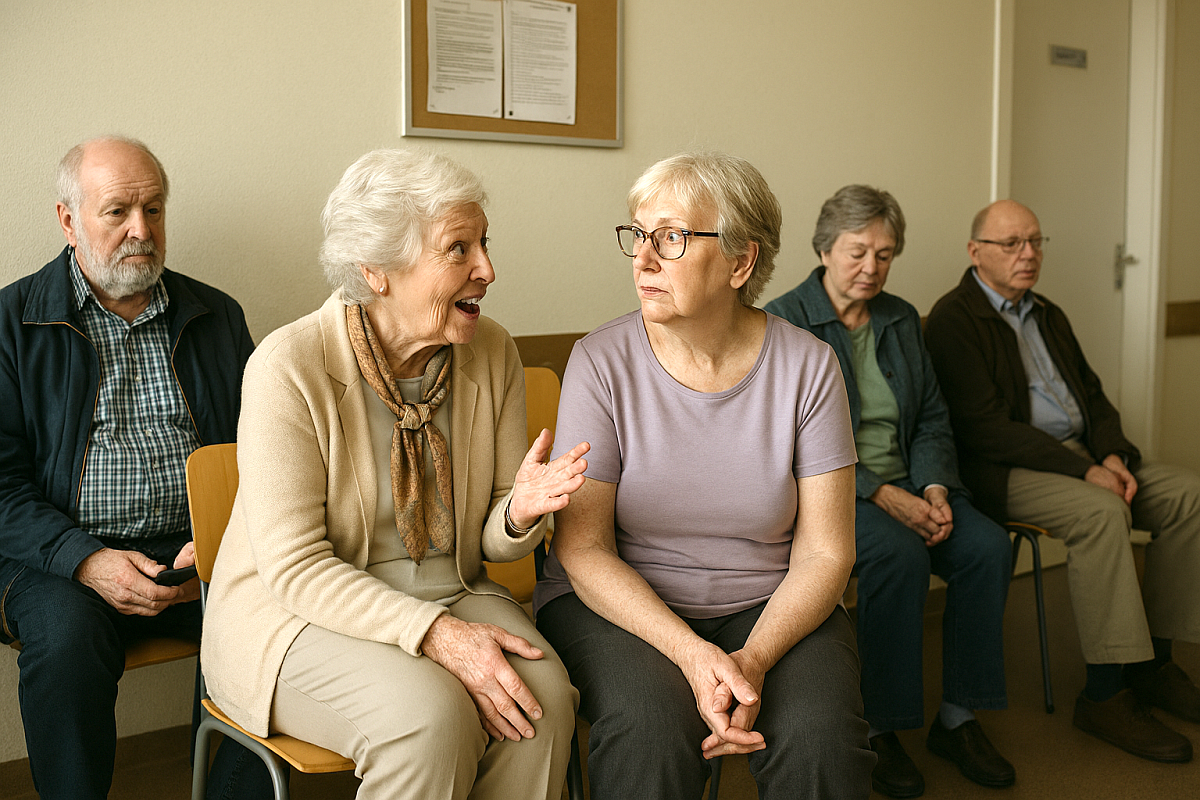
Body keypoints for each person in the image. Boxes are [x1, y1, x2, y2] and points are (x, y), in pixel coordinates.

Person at [200, 148, 586, 800]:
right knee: (427, 718)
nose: (487, 269)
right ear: (376, 269)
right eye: (458, 249)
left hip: (452, 590)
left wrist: (519, 511)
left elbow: (490, 541)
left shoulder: (491, 352)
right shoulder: (289, 366)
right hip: (296, 616)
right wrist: (437, 636)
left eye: (484, 243)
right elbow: (295, 569)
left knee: (543, 701)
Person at [534, 153, 875, 800]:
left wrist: (751, 660)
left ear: (740, 262)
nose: (643, 260)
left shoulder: (810, 368)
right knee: (650, 729)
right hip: (619, 608)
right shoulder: (600, 363)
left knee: (821, 737)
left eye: (671, 237)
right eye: (638, 235)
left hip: (769, 604)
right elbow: (582, 549)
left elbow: (828, 550)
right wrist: (695, 656)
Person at [0, 137, 263, 799]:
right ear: (69, 220)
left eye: (154, 209)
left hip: (198, 546)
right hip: (57, 557)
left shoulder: (216, 316)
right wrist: (86, 558)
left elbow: (265, 454)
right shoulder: (10, 324)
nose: (140, 230)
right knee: (65, 638)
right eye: (117, 211)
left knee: (264, 614)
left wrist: (225, 543)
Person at [925, 198, 1200, 764]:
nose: (1028, 254)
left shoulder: (1046, 311)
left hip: (1081, 456)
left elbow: (1092, 397)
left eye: (1035, 241)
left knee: (1186, 494)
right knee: (1103, 513)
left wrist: (1116, 455)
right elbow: (985, 430)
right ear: (976, 252)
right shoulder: (955, 318)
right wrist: (1087, 470)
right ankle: (1105, 693)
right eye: (1012, 244)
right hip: (1009, 469)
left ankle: (1154, 663)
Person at [764, 185, 1014, 797]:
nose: (872, 268)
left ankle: (958, 717)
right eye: (858, 252)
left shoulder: (900, 317)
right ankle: (880, 728)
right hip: (828, 492)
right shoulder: (784, 320)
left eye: (885, 254)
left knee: (987, 546)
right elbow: (786, 440)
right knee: (898, 556)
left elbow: (930, 414)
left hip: (910, 482)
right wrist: (881, 493)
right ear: (825, 248)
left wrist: (932, 488)